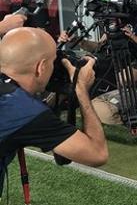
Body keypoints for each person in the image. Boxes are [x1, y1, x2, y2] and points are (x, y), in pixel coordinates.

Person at [0, 27, 108, 198]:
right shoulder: (22, 110)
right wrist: (81, 89)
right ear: (41, 67)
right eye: (53, 62)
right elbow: (97, 153)